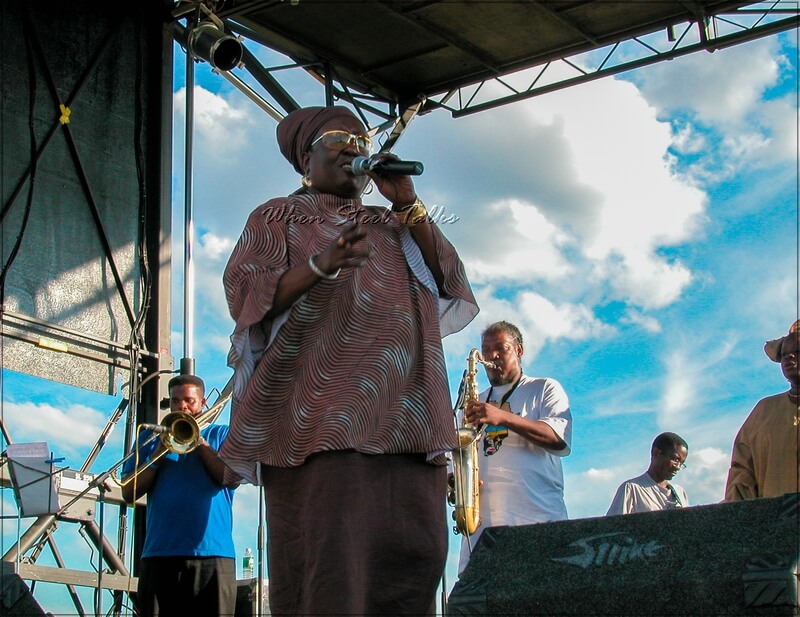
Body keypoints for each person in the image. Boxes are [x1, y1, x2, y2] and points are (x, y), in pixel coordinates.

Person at [220, 106, 478, 615]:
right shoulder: (278, 215)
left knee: (413, 559)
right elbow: (246, 290)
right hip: (320, 420)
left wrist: (409, 205)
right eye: (337, 139)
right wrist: (321, 264)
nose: (353, 147)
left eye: (361, 140)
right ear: (305, 160)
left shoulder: (392, 220)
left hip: (410, 417)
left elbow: (450, 279)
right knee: (335, 571)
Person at [457, 320, 572, 574]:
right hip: (483, 534)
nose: (492, 356)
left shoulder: (544, 388)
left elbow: (558, 439)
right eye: (485, 350)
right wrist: (455, 481)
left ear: (519, 350)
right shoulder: (473, 403)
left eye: (500, 348)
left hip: (538, 525)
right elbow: (454, 457)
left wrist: (502, 417)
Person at [121, 374, 237, 617]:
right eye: (175, 401)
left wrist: (201, 444)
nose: (182, 406)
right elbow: (128, 492)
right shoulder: (150, 437)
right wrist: (157, 455)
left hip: (212, 553)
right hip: (160, 553)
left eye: (189, 401)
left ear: (203, 402)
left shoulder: (221, 434)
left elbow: (229, 478)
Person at [725, 320, 800, 500]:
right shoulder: (764, 411)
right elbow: (742, 470)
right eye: (784, 354)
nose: (789, 358)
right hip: (776, 520)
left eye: (797, 352)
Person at [606, 432, 689, 515]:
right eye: (675, 459)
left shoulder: (680, 493)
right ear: (656, 453)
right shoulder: (632, 489)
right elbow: (613, 525)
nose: (678, 467)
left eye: (681, 463)